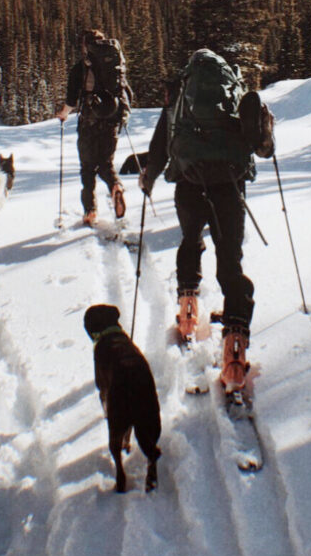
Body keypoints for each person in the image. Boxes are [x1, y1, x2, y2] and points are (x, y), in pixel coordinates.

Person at [138, 49, 274, 393]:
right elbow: (261, 143)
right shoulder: (236, 90)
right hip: (229, 186)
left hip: (190, 183)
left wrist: (149, 177)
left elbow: (162, 144)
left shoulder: (181, 94)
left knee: (191, 241)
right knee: (230, 259)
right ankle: (234, 346)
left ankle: (187, 308)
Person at [57, 29, 131, 225]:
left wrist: (63, 114)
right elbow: (125, 91)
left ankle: (90, 211)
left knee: (88, 168)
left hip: (89, 122)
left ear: (85, 45)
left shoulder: (80, 68)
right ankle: (116, 186)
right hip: (112, 120)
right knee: (106, 163)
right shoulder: (115, 65)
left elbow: (71, 101)